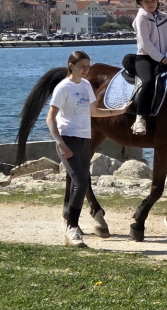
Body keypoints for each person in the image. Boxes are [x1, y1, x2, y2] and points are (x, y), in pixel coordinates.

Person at [46, 50, 95, 247]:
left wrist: (120, 110)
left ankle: (72, 226)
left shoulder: (86, 85)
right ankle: (72, 229)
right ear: (71, 66)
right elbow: (50, 118)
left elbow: (94, 111)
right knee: (81, 181)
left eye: (87, 66)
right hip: (67, 139)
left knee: (82, 181)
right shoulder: (63, 87)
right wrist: (60, 143)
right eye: (82, 66)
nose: (85, 70)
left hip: (85, 140)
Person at [131, 0, 167, 135]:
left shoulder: (164, 18)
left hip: (164, 58)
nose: (151, 4)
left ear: (158, 0)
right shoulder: (141, 18)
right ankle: (139, 119)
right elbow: (145, 42)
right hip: (145, 58)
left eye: (153, 0)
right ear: (140, 3)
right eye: (147, 1)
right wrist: (160, 58)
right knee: (148, 81)